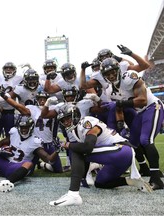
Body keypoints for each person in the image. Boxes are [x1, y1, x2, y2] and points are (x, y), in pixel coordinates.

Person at [49, 105, 152, 206]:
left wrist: (67, 144)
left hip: (122, 150)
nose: (66, 122)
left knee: (76, 149)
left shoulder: (85, 122)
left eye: (68, 118)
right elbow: (86, 151)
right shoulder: (75, 130)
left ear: (75, 115)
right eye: (63, 120)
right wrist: (83, 179)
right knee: (101, 182)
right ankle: (131, 181)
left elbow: (87, 148)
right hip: (118, 157)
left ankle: (73, 195)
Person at [100, 58, 164, 190]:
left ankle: (156, 178)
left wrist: (121, 103)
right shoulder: (109, 90)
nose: (111, 75)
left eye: (113, 71)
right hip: (140, 113)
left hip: (152, 106)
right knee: (132, 143)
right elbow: (119, 109)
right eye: (107, 74)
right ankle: (145, 169)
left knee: (146, 140)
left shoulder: (129, 77)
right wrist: (119, 124)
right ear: (104, 76)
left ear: (118, 70)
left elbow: (142, 100)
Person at [0, 115, 60, 192]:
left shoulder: (35, 141)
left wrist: (56, 151)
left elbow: (49, 159)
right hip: (4, 163)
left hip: (16, 168)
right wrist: (0, 150)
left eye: (26, 127)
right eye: (22, 127)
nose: (23, 130)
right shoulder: (14, 133)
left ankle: (8, 182)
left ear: (31, 127)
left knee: (28, 163)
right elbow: (0, 143)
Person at [0, 90, 63, 173]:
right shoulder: (32, 109)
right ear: (36, 100)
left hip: (48, 143)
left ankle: (42, 165)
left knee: (58, 170)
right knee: (29, 170)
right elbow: (17, 105)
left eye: (44, 99)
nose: (42, 101)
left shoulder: (53, 109)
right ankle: (38, 163)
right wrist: (5, 97)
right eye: (40, 99)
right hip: (35, 145)